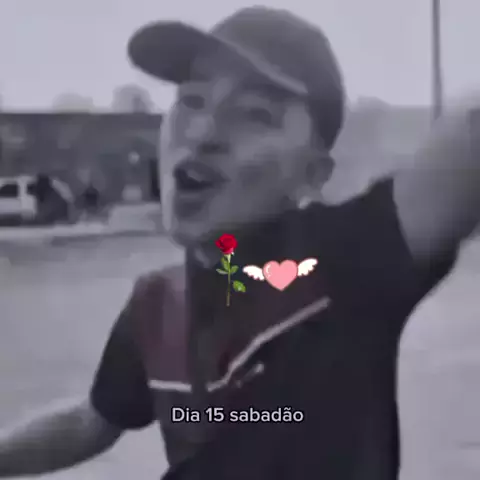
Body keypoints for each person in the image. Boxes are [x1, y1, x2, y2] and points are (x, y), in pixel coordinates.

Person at [0, 6, 477, 480]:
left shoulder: (340, 260)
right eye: (192, 100)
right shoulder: (155, 304)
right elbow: (92, 422)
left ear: (312, 173)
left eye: (254, 115)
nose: (203, 133)